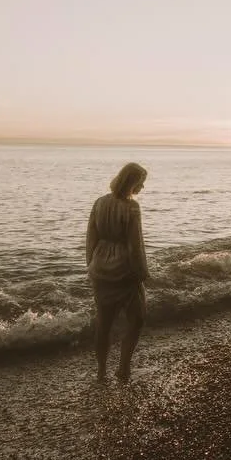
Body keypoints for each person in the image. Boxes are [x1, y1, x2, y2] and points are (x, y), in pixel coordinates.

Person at [85, 162, 150, 381]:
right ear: (132, 182)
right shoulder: (132, 207)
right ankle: (123, 368)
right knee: (137, 319)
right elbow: (135, 245)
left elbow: (91, 239)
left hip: (100, 268)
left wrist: (91, 265)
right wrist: (142, 273)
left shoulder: (99, 203)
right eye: (141, 183)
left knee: (104, 322)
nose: (142, 188)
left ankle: (101, 371)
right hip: (124, 270)